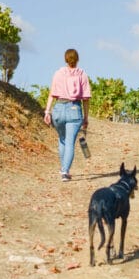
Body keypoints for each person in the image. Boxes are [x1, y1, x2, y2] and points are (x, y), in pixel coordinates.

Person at [43, 48, 91, 181]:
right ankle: (65, 171)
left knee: (62, 139)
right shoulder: (82, 74)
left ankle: (63, 167)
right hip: (74, 109)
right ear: (77, 59)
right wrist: (86, 117)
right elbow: (86, 98)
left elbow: (52, 94)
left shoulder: (58, 73)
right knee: (70, 142)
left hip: (58, 109)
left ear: (65, 59)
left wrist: (47, 111)